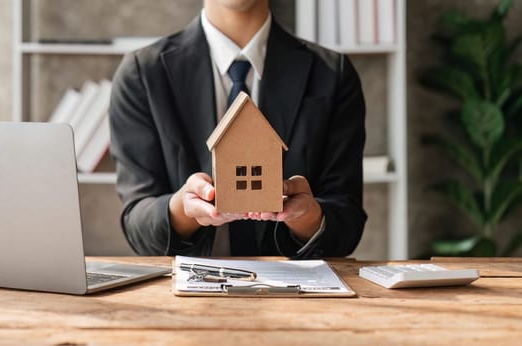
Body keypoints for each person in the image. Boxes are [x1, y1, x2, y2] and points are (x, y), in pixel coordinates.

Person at [109, 0, 367, 258]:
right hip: (187, 290)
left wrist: (307, 216)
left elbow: (347, 221)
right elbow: (137, 222)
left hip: (294, 288)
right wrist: (183, 210)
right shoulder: (142, 74)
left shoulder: (332, 74)